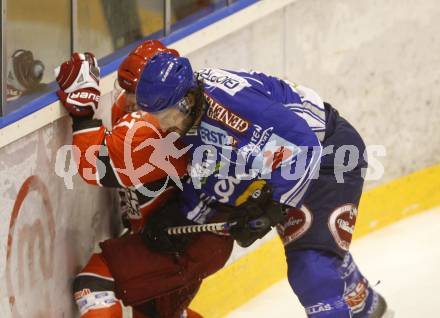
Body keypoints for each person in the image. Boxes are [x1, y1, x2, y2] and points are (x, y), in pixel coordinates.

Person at [135, 52, 393, 318]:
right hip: (284, 166)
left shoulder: (232, 109)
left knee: (310, 269)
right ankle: (365, 306)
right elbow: (210, 171)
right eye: (157, 117)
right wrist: (183, 217)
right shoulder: (192, 115)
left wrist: (272, 206)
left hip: (330, 156)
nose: (163, 125)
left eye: (166, 115)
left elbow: (304, 147)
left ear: (188, 100)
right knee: (313, 242)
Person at [55, 40, 233, 318]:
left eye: (135, 95)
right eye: (124, 90)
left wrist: (83, 114)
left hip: (184, 241)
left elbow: (95, 166)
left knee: (94, 283)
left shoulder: (151, 129)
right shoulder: (178, 111)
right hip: (188, 237)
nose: (126, 102)